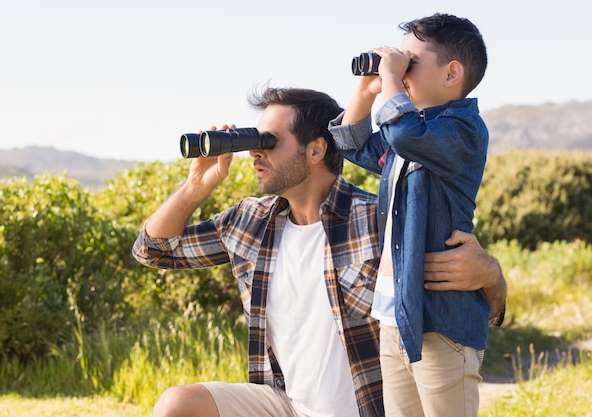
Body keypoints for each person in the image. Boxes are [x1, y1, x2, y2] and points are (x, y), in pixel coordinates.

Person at [133, 87, 506, 417]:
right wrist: (195, 187)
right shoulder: (249, 222)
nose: (255, 154)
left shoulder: (376, 218)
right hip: (285, 403)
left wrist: (492, 275)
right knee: (177, 405)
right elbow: (153, 251)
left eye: (269, 142)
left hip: (369, 406)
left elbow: (471, 297)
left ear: (315, 149)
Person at [329, 13, 494, 417]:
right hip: (394, 317)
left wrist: (390, 79)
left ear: (452, 73)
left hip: (441, 322)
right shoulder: (410, 135)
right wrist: (369, 89)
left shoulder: (462, 129)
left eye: (411, 63)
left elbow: (402, 132)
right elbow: (353, 145)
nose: (401, 71)